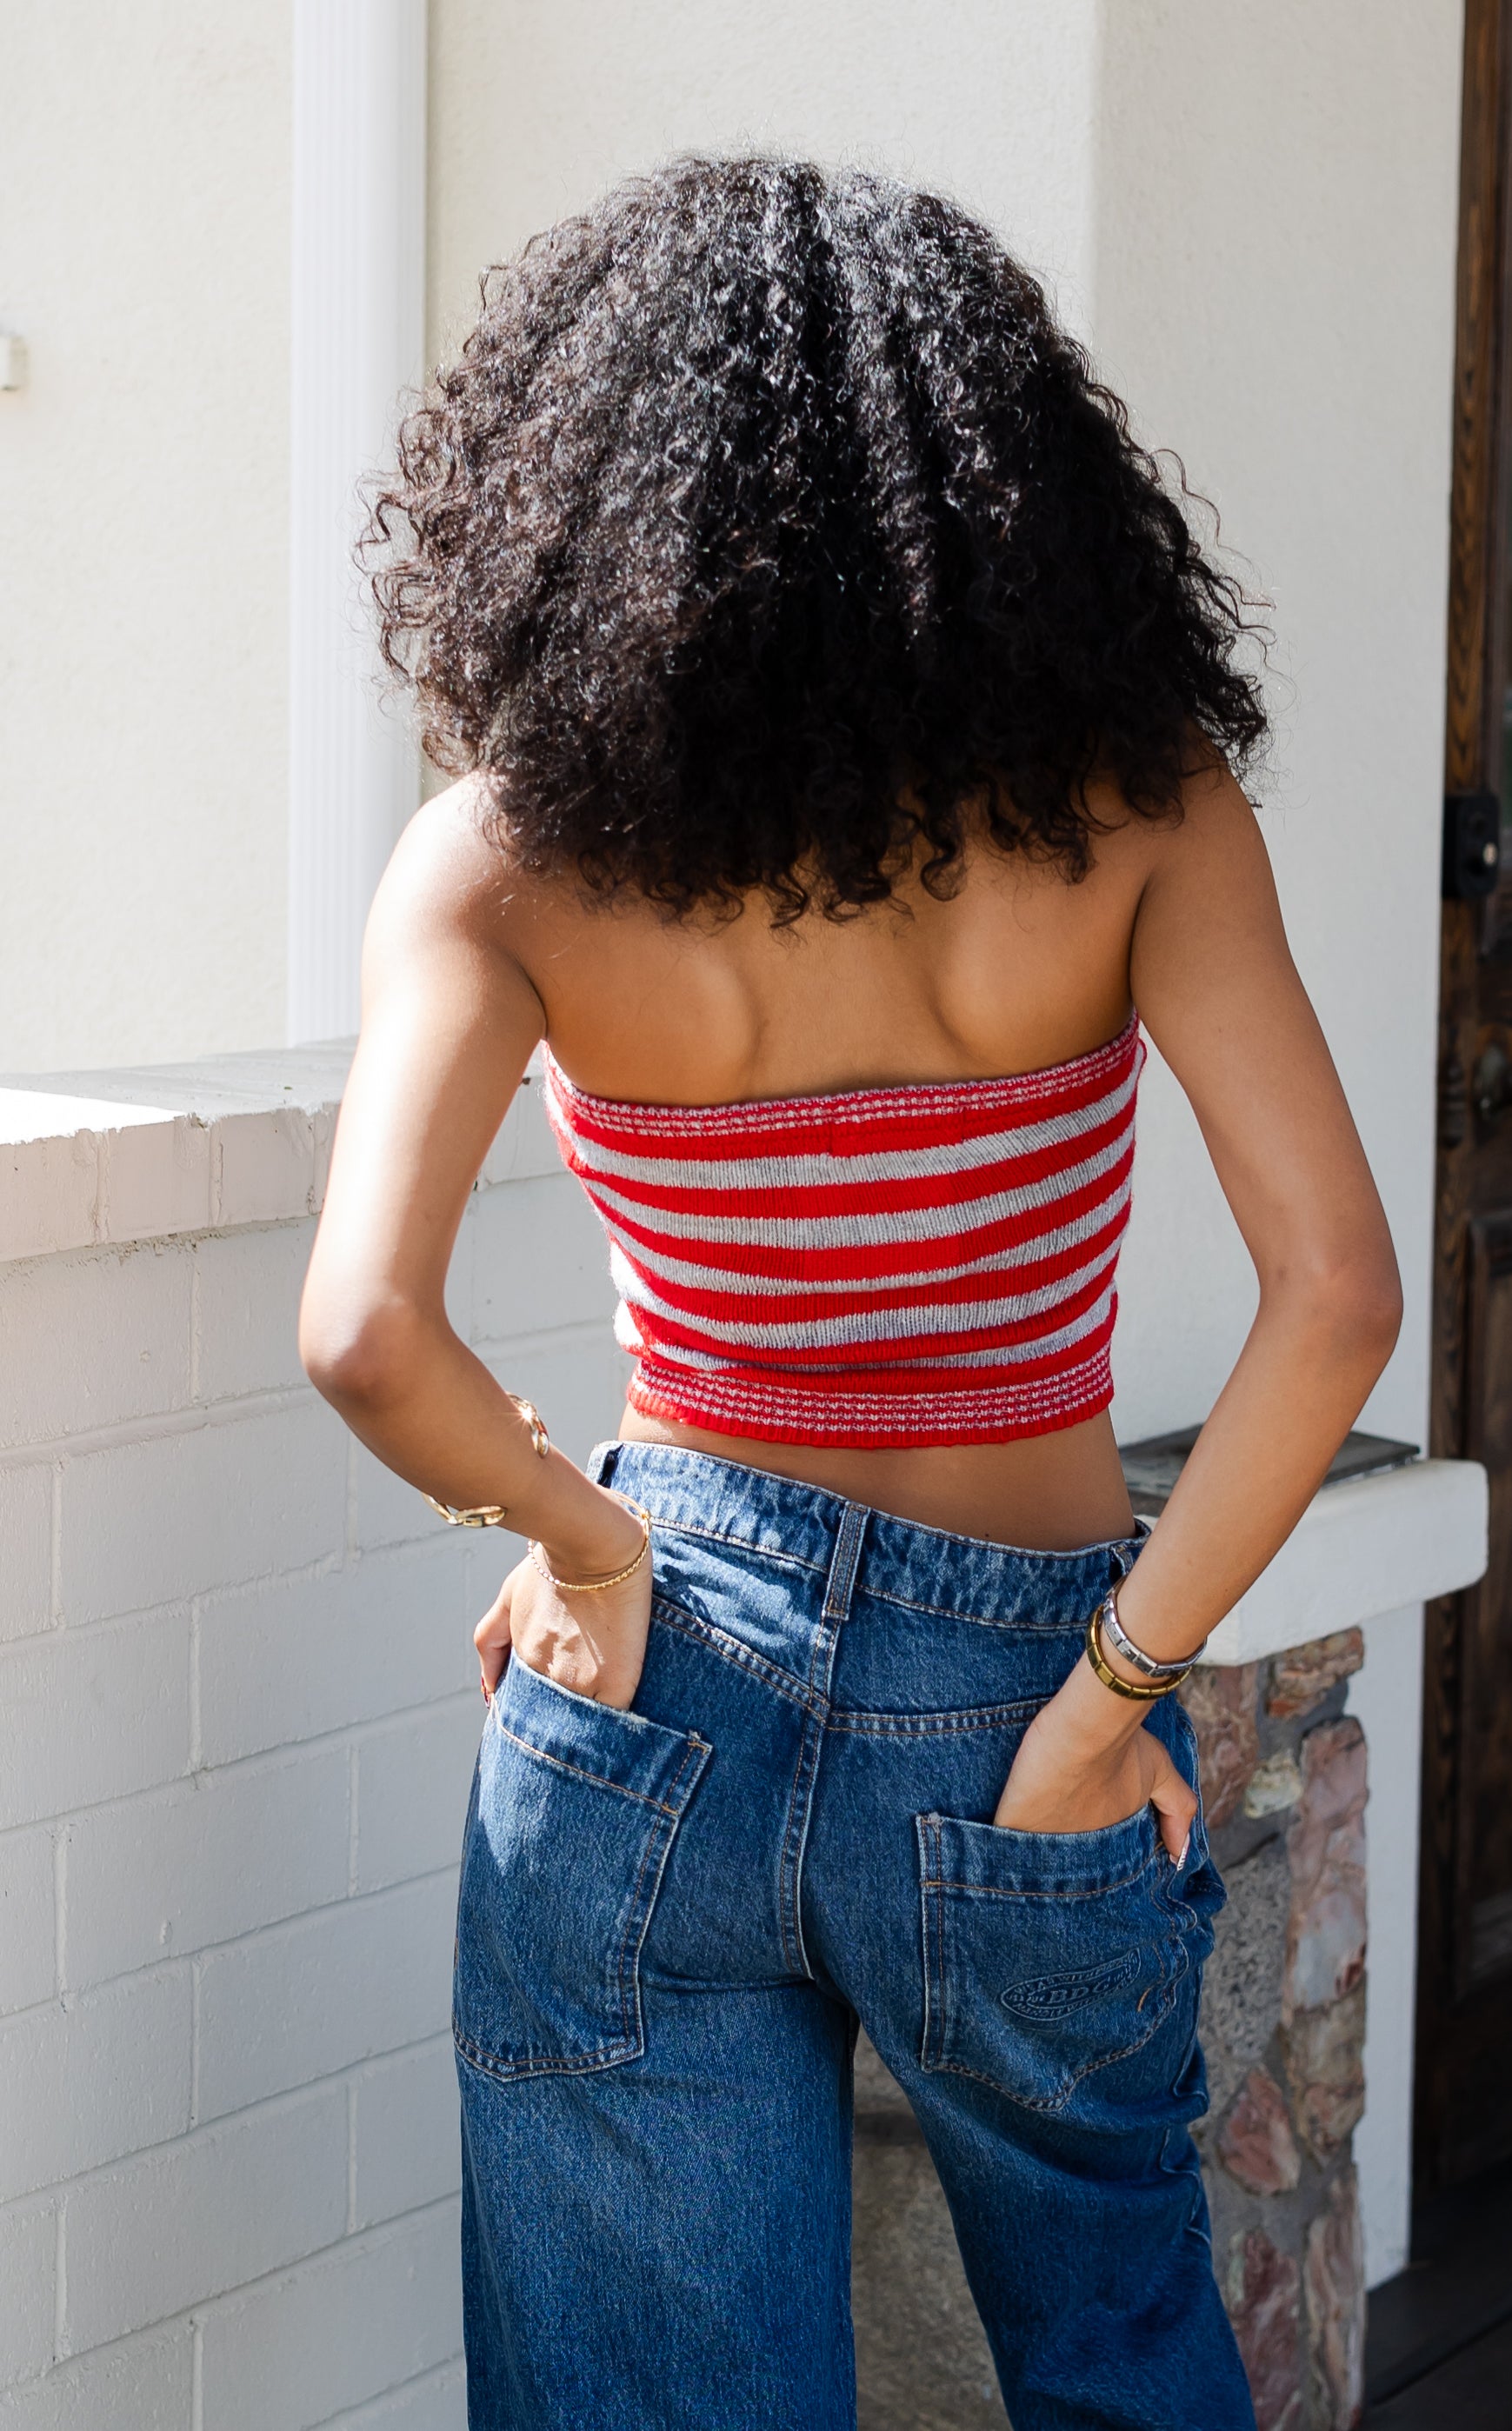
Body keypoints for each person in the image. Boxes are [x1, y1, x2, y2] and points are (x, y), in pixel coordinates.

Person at [300, 157, 1401, 2431]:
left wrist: (587, 1536)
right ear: (1004, 486)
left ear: (576, 495)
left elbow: (366, 1334)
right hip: (1016, 1692)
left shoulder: (505, 855)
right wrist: (1110, 1699)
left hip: (648, 1683)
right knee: (1123, 2360)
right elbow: (1335, 1293)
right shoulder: (1144, 809)